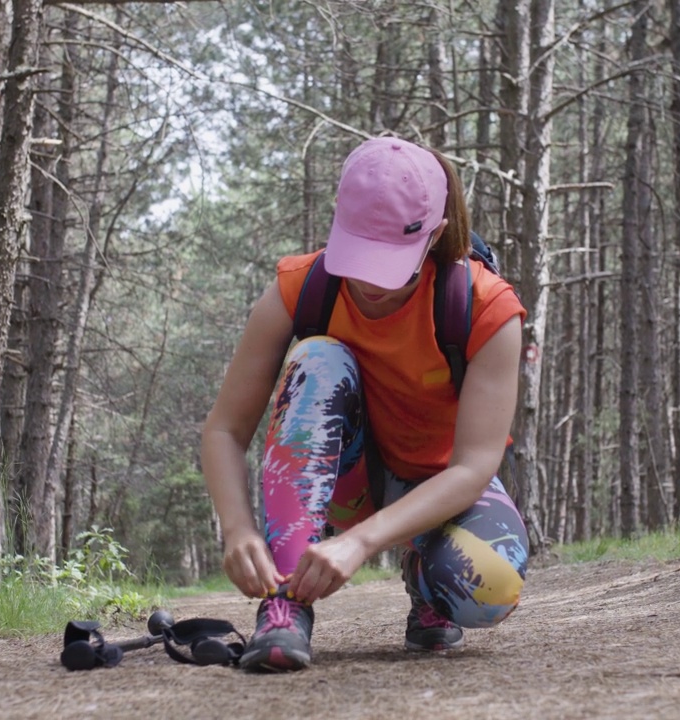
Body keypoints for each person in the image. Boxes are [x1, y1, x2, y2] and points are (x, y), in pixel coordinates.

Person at [200, 136, 529, 673]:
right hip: (344, 482)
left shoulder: (486, 307)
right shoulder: (299, 288)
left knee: (488, 585)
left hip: (439, 490)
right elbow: (224, 431)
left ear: (437, 234)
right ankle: (285, 605)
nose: (370, 281)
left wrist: (360, 544)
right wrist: (238, 530)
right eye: (358, 254)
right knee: (319, 359)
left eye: (390, 260)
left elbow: (473, 468)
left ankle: (427, 588)